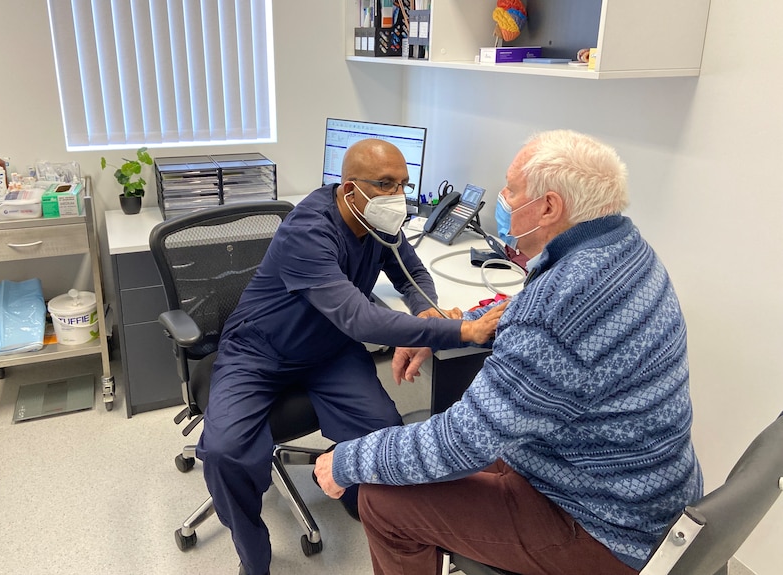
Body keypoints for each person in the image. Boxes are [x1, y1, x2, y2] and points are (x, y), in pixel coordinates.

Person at [315, 130, 704, 575]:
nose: (502, 199)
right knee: (428, 457)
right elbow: (547, 333)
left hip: (608, 529)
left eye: (510, 190)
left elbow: (459, 442)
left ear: (549, 207)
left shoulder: (557, 304)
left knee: (381, 498)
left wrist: (347, 460)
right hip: (649, 495)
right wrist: (442, 332)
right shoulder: (626, 251)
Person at [198, 138, 505, 575]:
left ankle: (363, 504)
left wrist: (426, 314)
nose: (396, 196)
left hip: (329, 350)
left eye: (402, 184)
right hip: (259, 350)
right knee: (226, 453)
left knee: (383, 433)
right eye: (384, 184)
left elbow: (412, 273)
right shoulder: (308, 231)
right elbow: (360, 319)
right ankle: (254, 559)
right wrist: (458, 329)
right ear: (348, 190)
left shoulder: (378, 222)